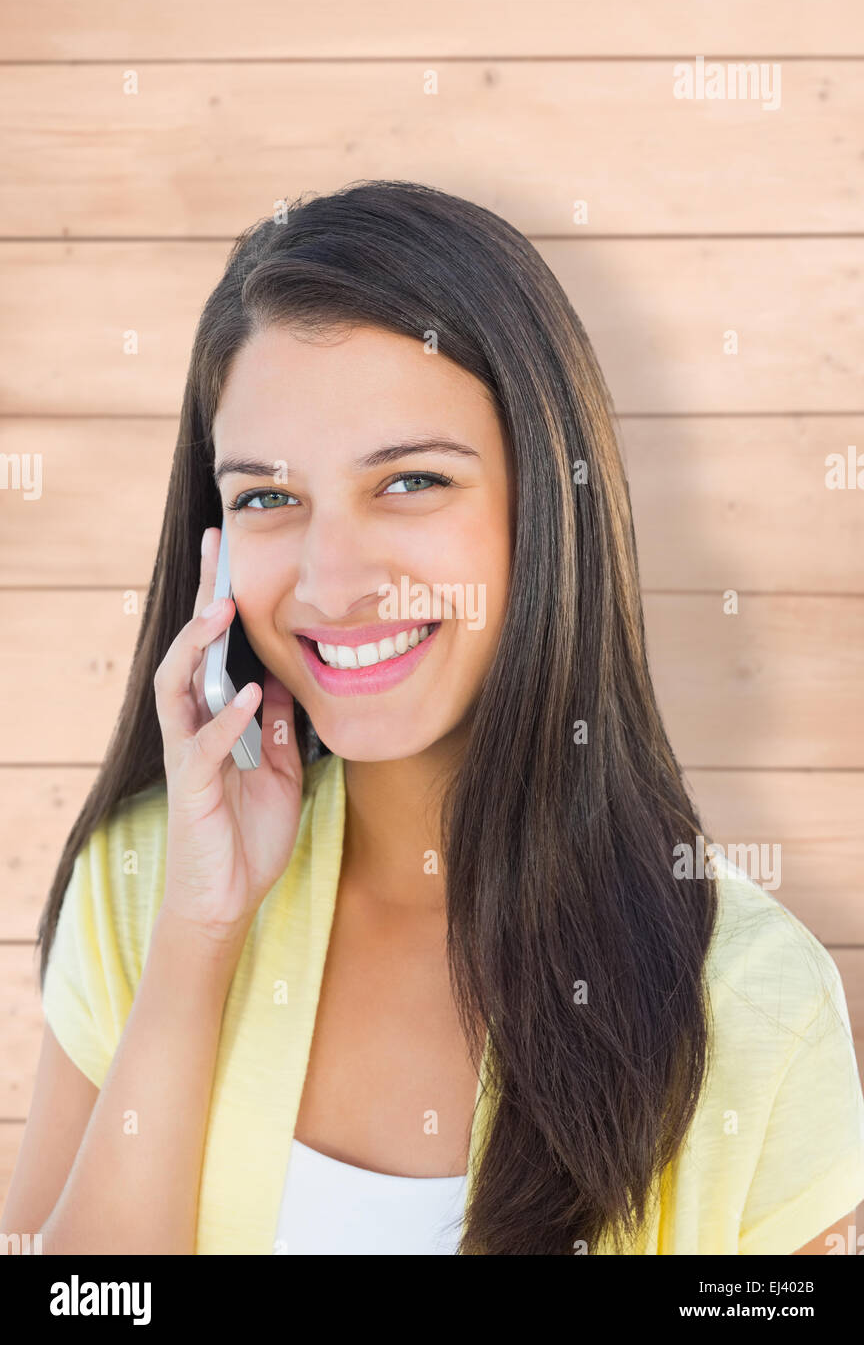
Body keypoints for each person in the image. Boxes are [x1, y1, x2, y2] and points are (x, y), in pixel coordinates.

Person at [3, 181, 863, 1255]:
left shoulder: (755, 1003)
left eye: (410, 481)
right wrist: (197, 939)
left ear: (545, 504)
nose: (330, 580)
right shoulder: (145, 889)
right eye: (268, 496)